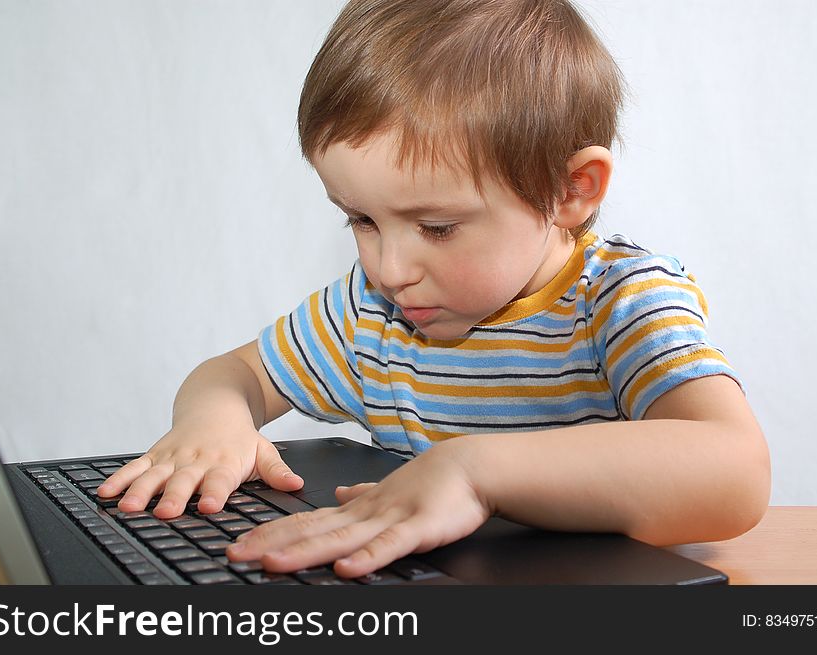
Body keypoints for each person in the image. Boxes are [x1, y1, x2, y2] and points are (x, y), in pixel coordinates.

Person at [98, 0, 771, 579]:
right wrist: (214, 421)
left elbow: (734, 470)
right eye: (360, 218)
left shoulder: (620, 300)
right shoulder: (371, 312)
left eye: (438, 226)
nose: (390, 268)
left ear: (570, 191)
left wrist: (475, 469)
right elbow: (234, 374)